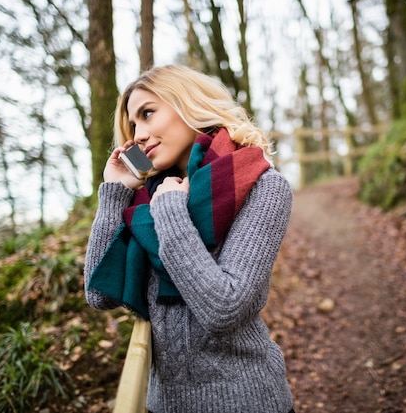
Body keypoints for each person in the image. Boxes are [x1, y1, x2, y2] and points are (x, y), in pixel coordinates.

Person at [83, 64, 295, 413]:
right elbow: (99, 294)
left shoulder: (262, 186)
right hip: (163, 405)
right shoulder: (146, 201)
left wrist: (170, 212)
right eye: (133, 124)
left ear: (188, 103)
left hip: (246, 402)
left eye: (148, 114)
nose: (137, 133)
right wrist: (115, 193)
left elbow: (224, 308)